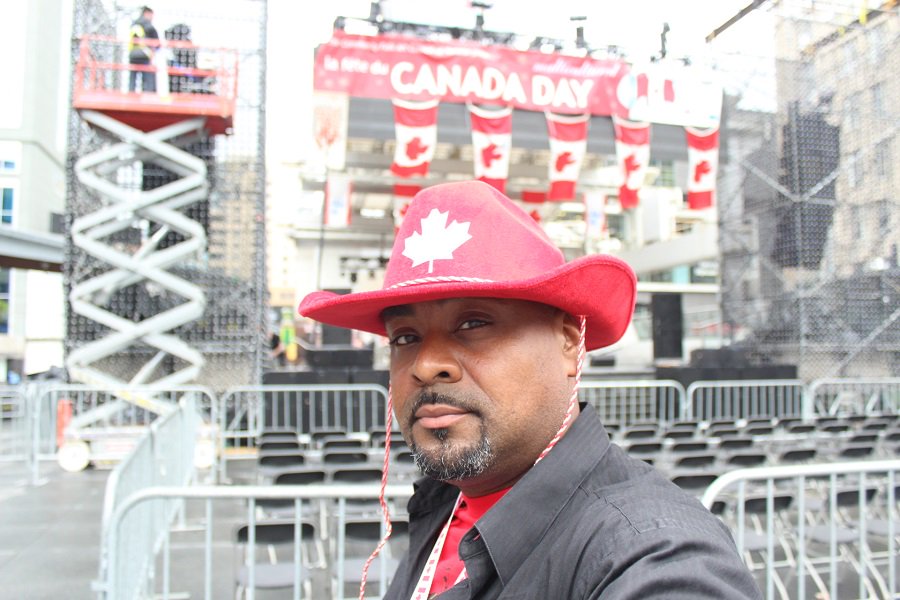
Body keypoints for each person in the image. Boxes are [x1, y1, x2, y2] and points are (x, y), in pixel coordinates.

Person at [299, 181, 761, 599]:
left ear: (568, 342)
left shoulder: (651, 553)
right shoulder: (446, 500)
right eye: (405, 338)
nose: (425, 365)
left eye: (473, 323)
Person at [128, 6, 159, 92]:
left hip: (133, 54)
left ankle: (131, 94)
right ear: (147, 13)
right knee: (147, 78)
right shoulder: (147, 24)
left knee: (132, 77)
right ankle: (147, 94)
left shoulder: (134, 24)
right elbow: (156, 40)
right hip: (144, 54)